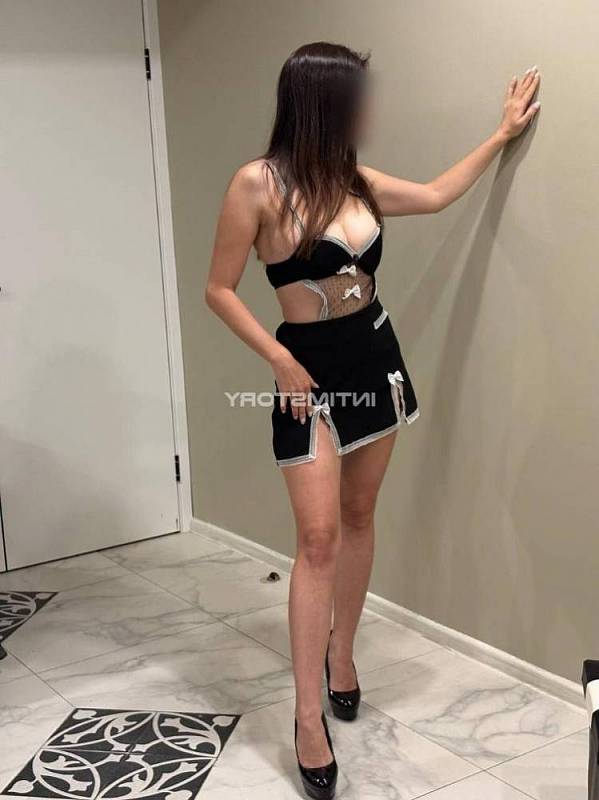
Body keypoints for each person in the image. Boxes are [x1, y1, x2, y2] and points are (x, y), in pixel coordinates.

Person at [206, 42, 540, 799]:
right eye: (360, 96)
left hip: (375, 361)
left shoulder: (356, 180)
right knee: (317, 537)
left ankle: (342, 655)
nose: (370, 107)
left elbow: (436, 194)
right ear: (323, 102)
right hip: (306, 376)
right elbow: (218, 289)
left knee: (358, 515)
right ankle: (305, 718)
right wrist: (278, 359)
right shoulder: (257, 185)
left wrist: (501, 133)